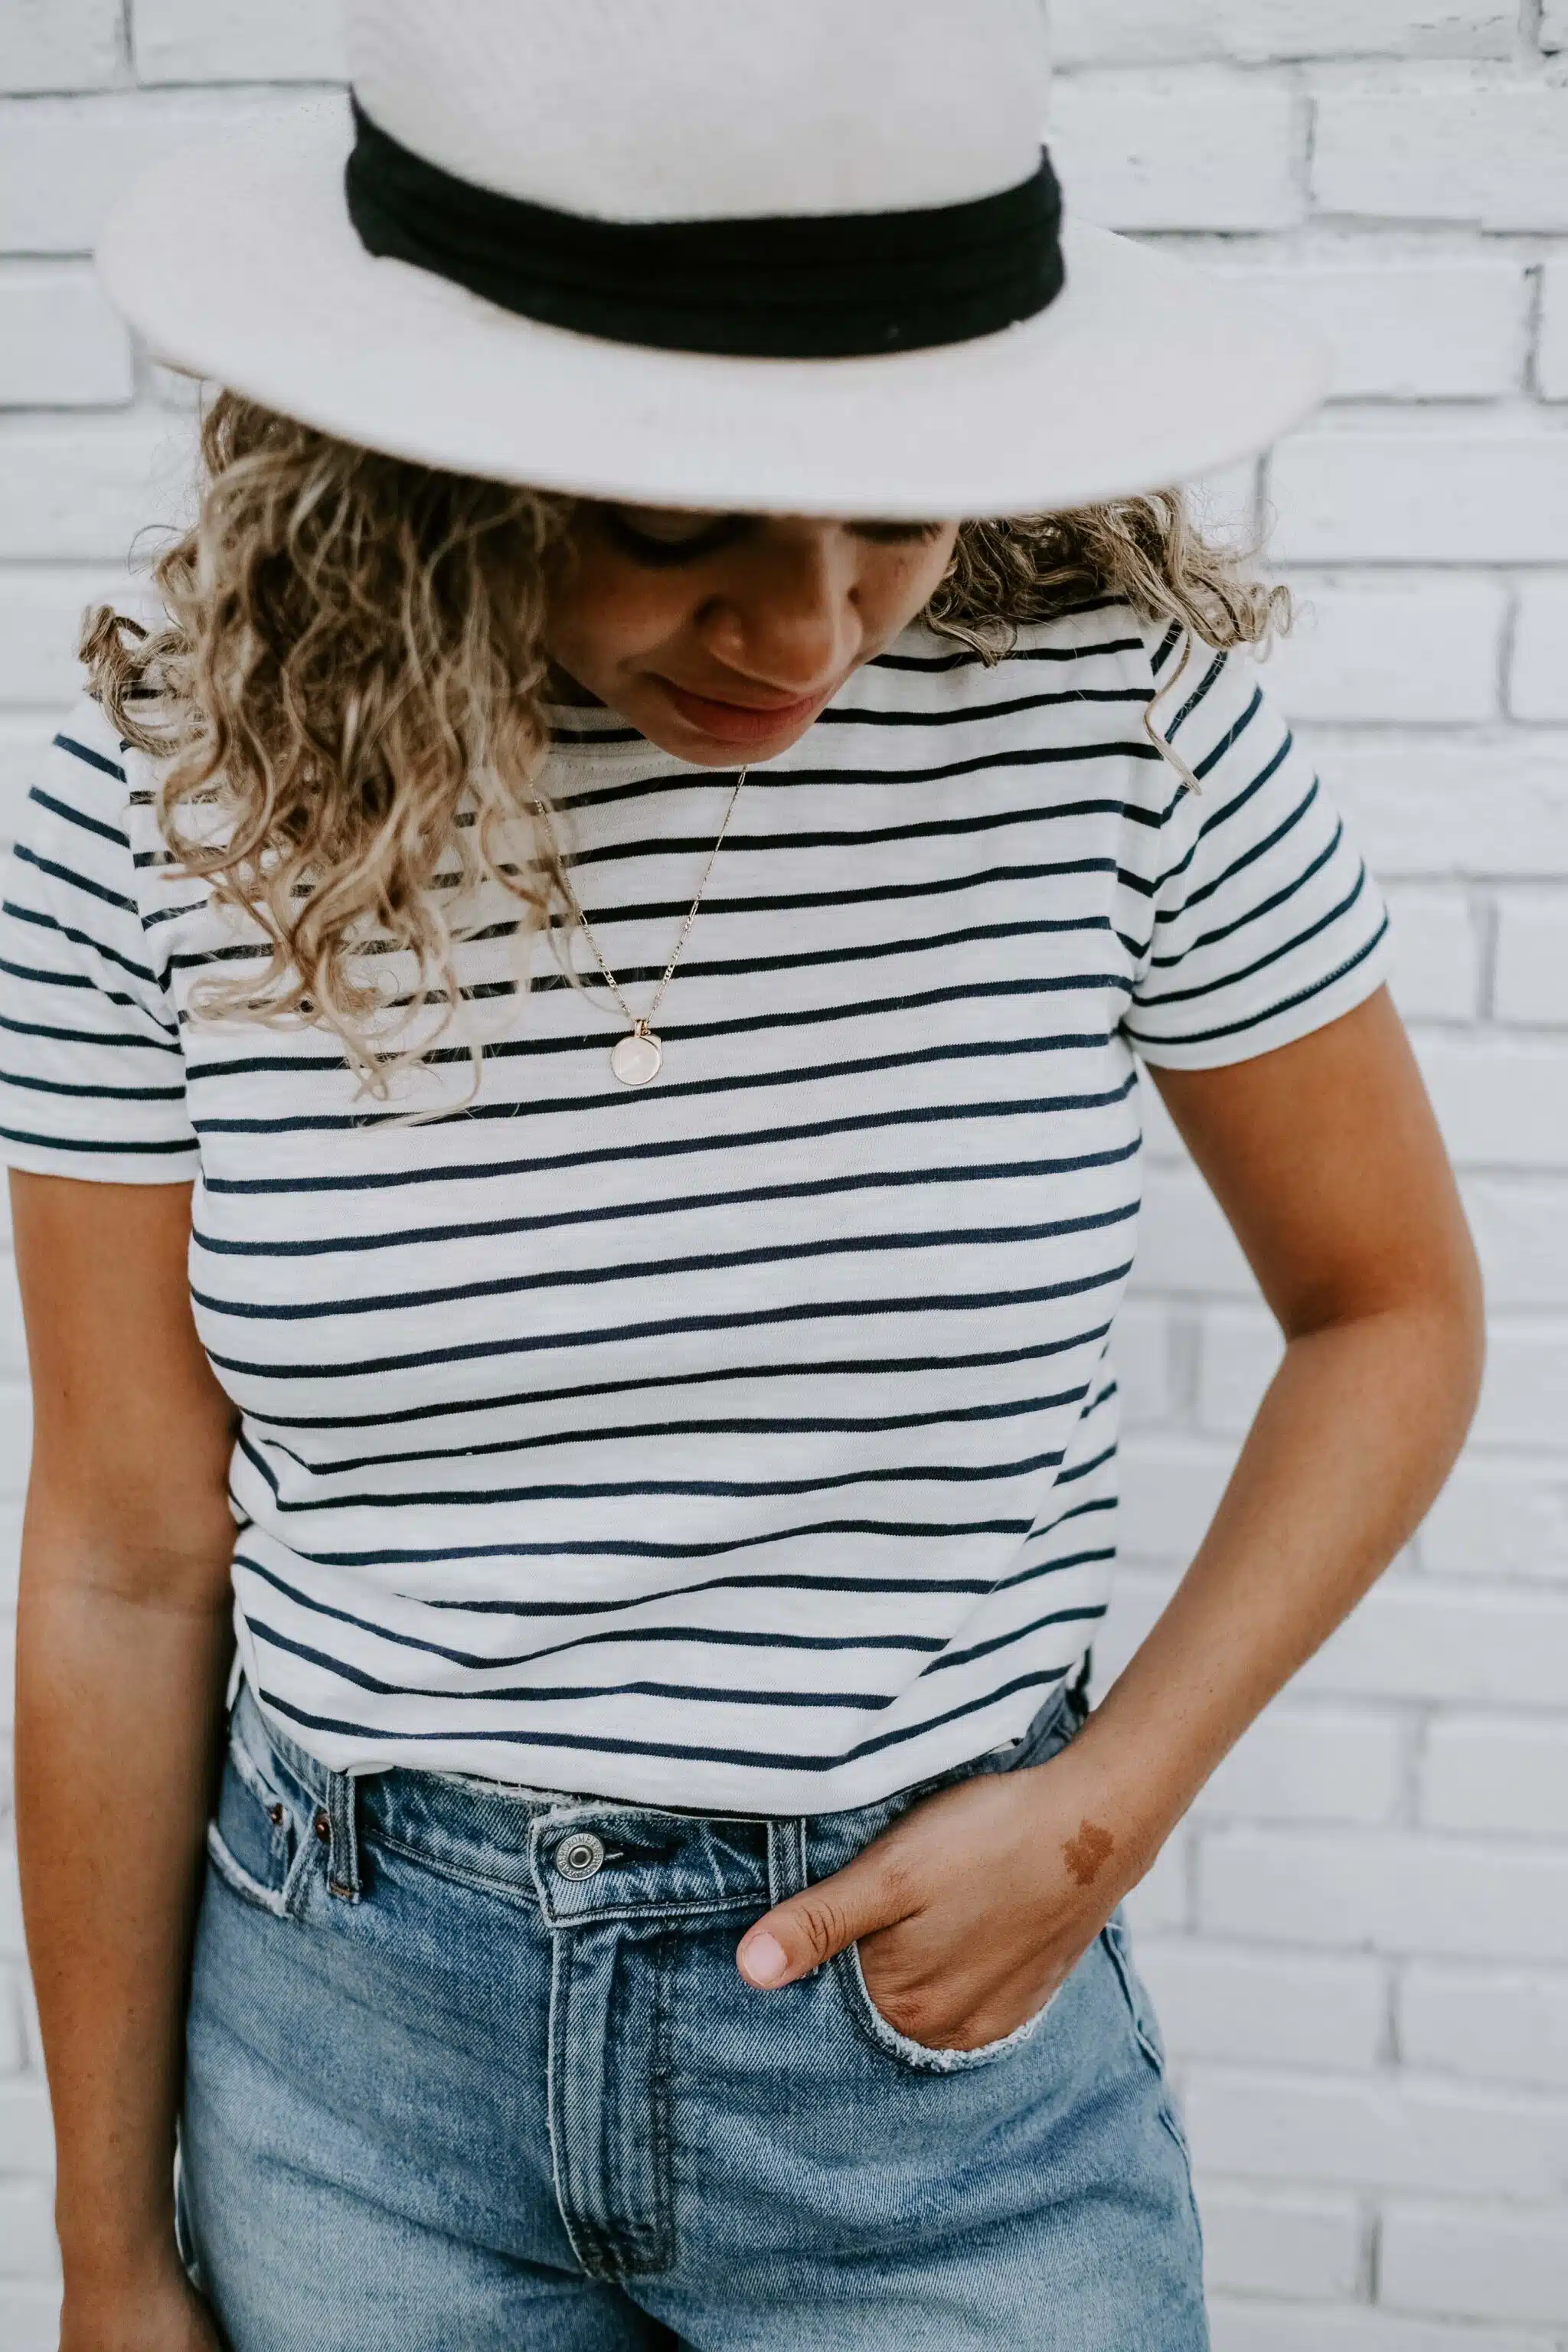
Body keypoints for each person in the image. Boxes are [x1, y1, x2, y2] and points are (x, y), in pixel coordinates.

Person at [2, 5, 1483, 2347]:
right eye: (678, 523)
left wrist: (1105, 1810)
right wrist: (101, 2246)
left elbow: (1392, 1310)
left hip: (937, 2091)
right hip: (349, 2075)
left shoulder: (1117, 714)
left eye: (894, 507)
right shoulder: (159, 808)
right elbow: (117, 1545)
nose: (808, 632)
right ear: (424, 463)